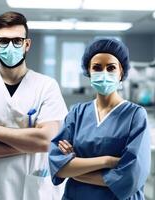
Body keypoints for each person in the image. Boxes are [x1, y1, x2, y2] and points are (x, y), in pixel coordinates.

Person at [0, 11, 68, 200]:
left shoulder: (46, 86)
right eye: (4, 41)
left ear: (27, 44)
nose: (11, 46)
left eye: (17, 40)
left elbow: (46, 140)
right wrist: (32, 143)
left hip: (34, 190)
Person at [49, 38, 151, 200]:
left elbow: (131, 177)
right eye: (97, 67)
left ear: (121, 72)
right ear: (88, 72)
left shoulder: (135, 115)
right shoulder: (77, 113)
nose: (104, 73)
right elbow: (58, 167)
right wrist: (107, 161)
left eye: (111, 68)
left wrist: (77, 170)